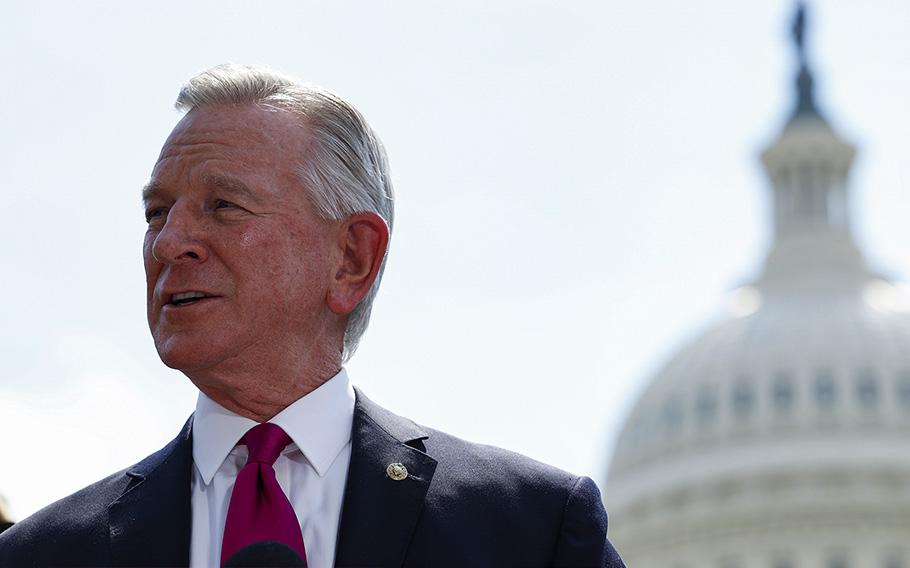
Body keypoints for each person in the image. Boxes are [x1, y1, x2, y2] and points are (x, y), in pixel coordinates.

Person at [0, 64, 624, 568]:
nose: (168, 244)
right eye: (156, 213)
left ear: (352, 257)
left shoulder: (534, 532)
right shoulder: (41, 554)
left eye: (223, 206)